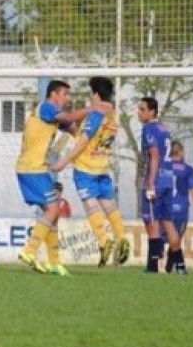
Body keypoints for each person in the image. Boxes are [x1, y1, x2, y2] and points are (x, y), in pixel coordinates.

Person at [51, 77, 130, 268]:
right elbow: (95, 137)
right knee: (109, 207)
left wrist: (64, 161)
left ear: (95, 94)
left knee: (91, 207)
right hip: (103, 167)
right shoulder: (113, 115)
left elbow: (84, 141)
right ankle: (121, 238)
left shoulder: (96, 115)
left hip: (86, 168)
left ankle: (104, 242)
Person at [16, 80, 89, 277]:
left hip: (34, 168)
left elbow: (73, 128)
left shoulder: (50, 116)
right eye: (65, 94)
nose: (67, 98)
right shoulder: (47, 107)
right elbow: (71, 116)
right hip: (33, 168)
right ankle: (29, 251)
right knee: (53, 208)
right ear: (54, 94)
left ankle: (55, 262)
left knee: (53, 212)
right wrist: (93, 108)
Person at [138, 97, 185, 274]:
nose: (139, 112)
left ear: (152, 111)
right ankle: (180, 266)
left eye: (142, 109)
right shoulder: (164, 128)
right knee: (168, 222)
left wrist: (150, 182)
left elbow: (155, 155)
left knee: (151, 222)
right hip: (168, 178)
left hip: (156, 180)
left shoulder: (149, 128)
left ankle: (153, 266)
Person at [164, 140, 193, 274]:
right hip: (181, 209)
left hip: (165, 208)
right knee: (176, 239)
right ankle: (180, 267)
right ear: (181, 152)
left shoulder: (163, 167)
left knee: (172, 240)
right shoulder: (188, 170)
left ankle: (168, 267)